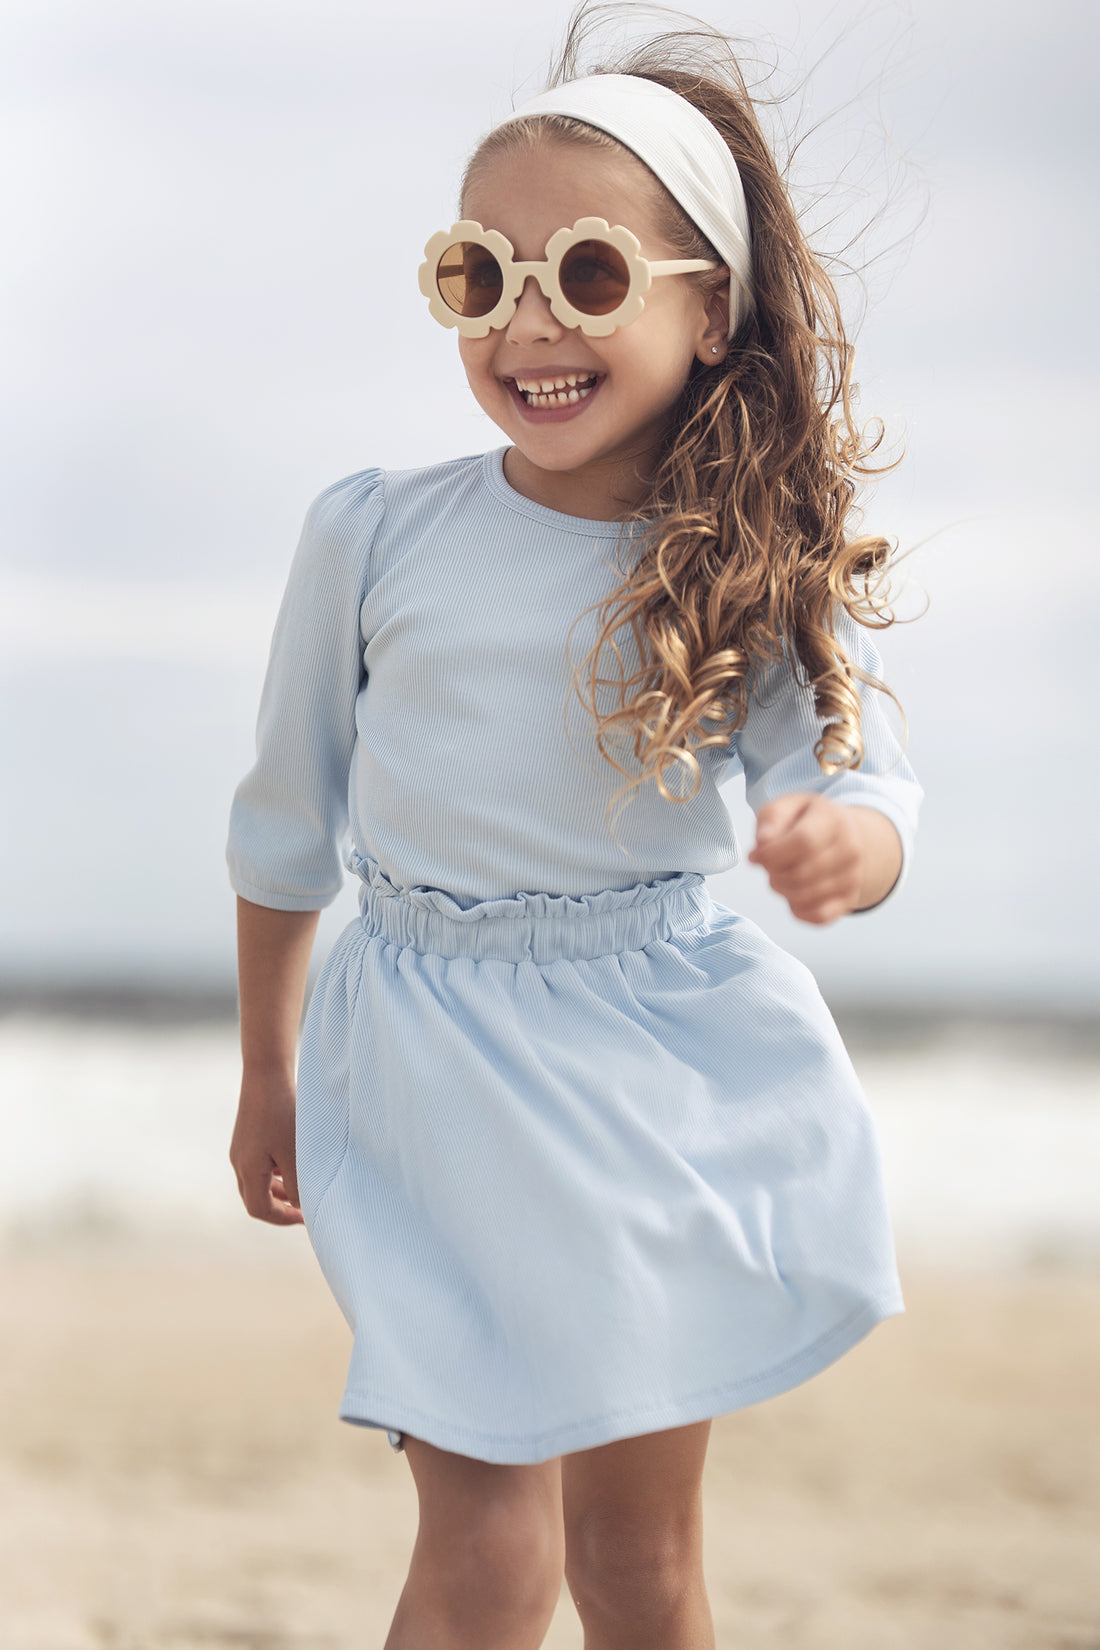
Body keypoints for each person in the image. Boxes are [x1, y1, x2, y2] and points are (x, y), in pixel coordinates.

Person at [226, 12, 922, 1648]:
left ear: (711, 305)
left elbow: (862, 781)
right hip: (418, 1061)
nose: (530, 324)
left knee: (637, 1558)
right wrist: (269, 1063)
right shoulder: (377, 532)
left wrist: (843, 848)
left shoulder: (746, 560)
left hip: (646, 1079)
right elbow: (282, 824)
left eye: (590, 275)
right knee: (480, 1542)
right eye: (484, 277)